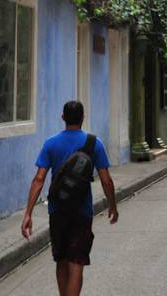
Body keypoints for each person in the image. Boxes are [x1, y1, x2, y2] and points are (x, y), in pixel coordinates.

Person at [21, 100, 119, 296]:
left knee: (62, 259)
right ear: (83, 117)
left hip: (57, 211)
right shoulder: (94, 143)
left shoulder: (51, 144)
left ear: (63, 117)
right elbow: (106, 180)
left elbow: (39, 179)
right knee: (77, 263)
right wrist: (112, 206)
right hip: (82, 213)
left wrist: (28, 214)